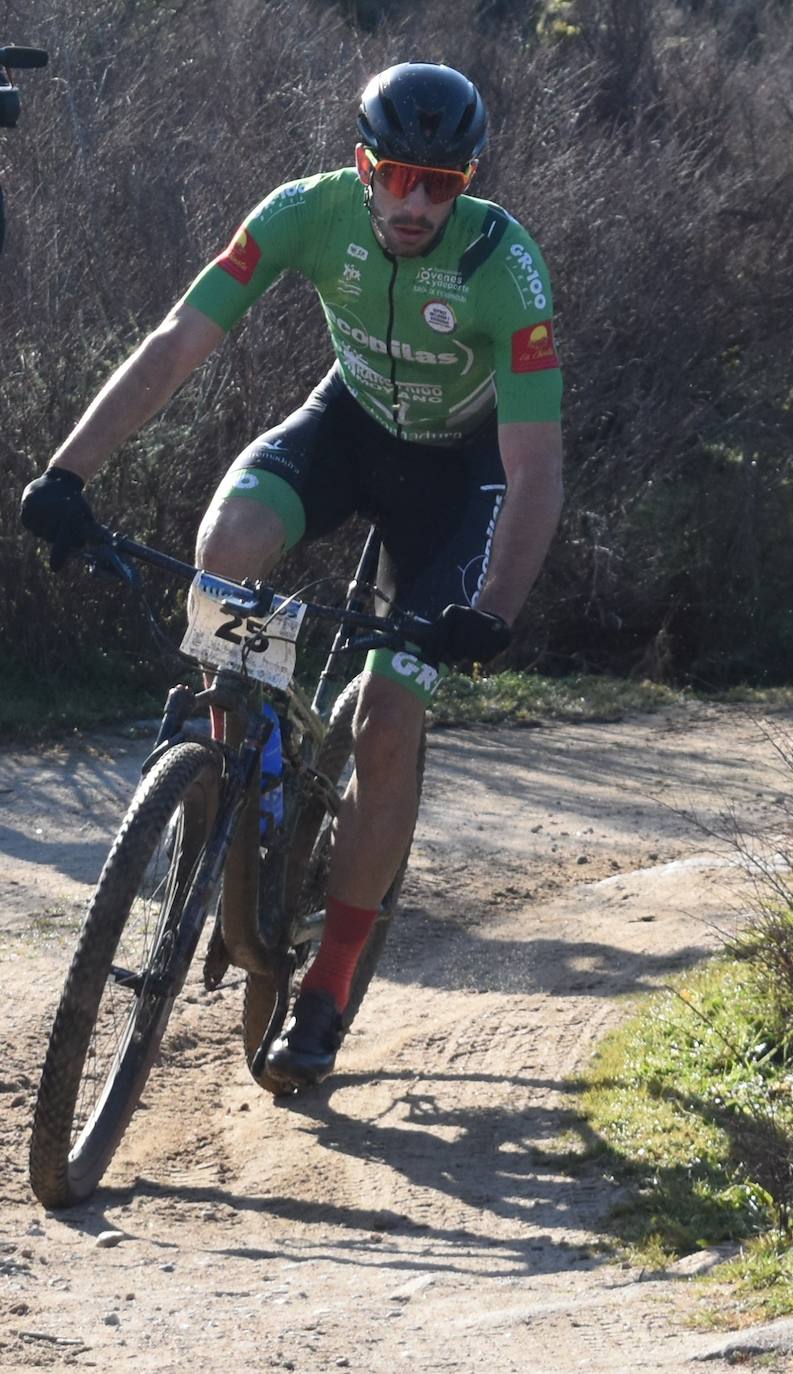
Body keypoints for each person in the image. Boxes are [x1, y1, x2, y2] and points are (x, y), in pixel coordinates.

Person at [20, 61, 564, 1086]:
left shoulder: (505, 267)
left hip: (462, 478)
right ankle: (245, 772)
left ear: (466, 179)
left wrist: (490, 610)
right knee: (228, 550)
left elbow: (536, 468)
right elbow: (178, 343)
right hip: (349, 427)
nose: (413, 203)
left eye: (438, 184)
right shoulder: (303, 213)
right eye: (395, 176)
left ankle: (328, 985)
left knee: (388, 715)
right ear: (362, 165)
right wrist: (67, 470)